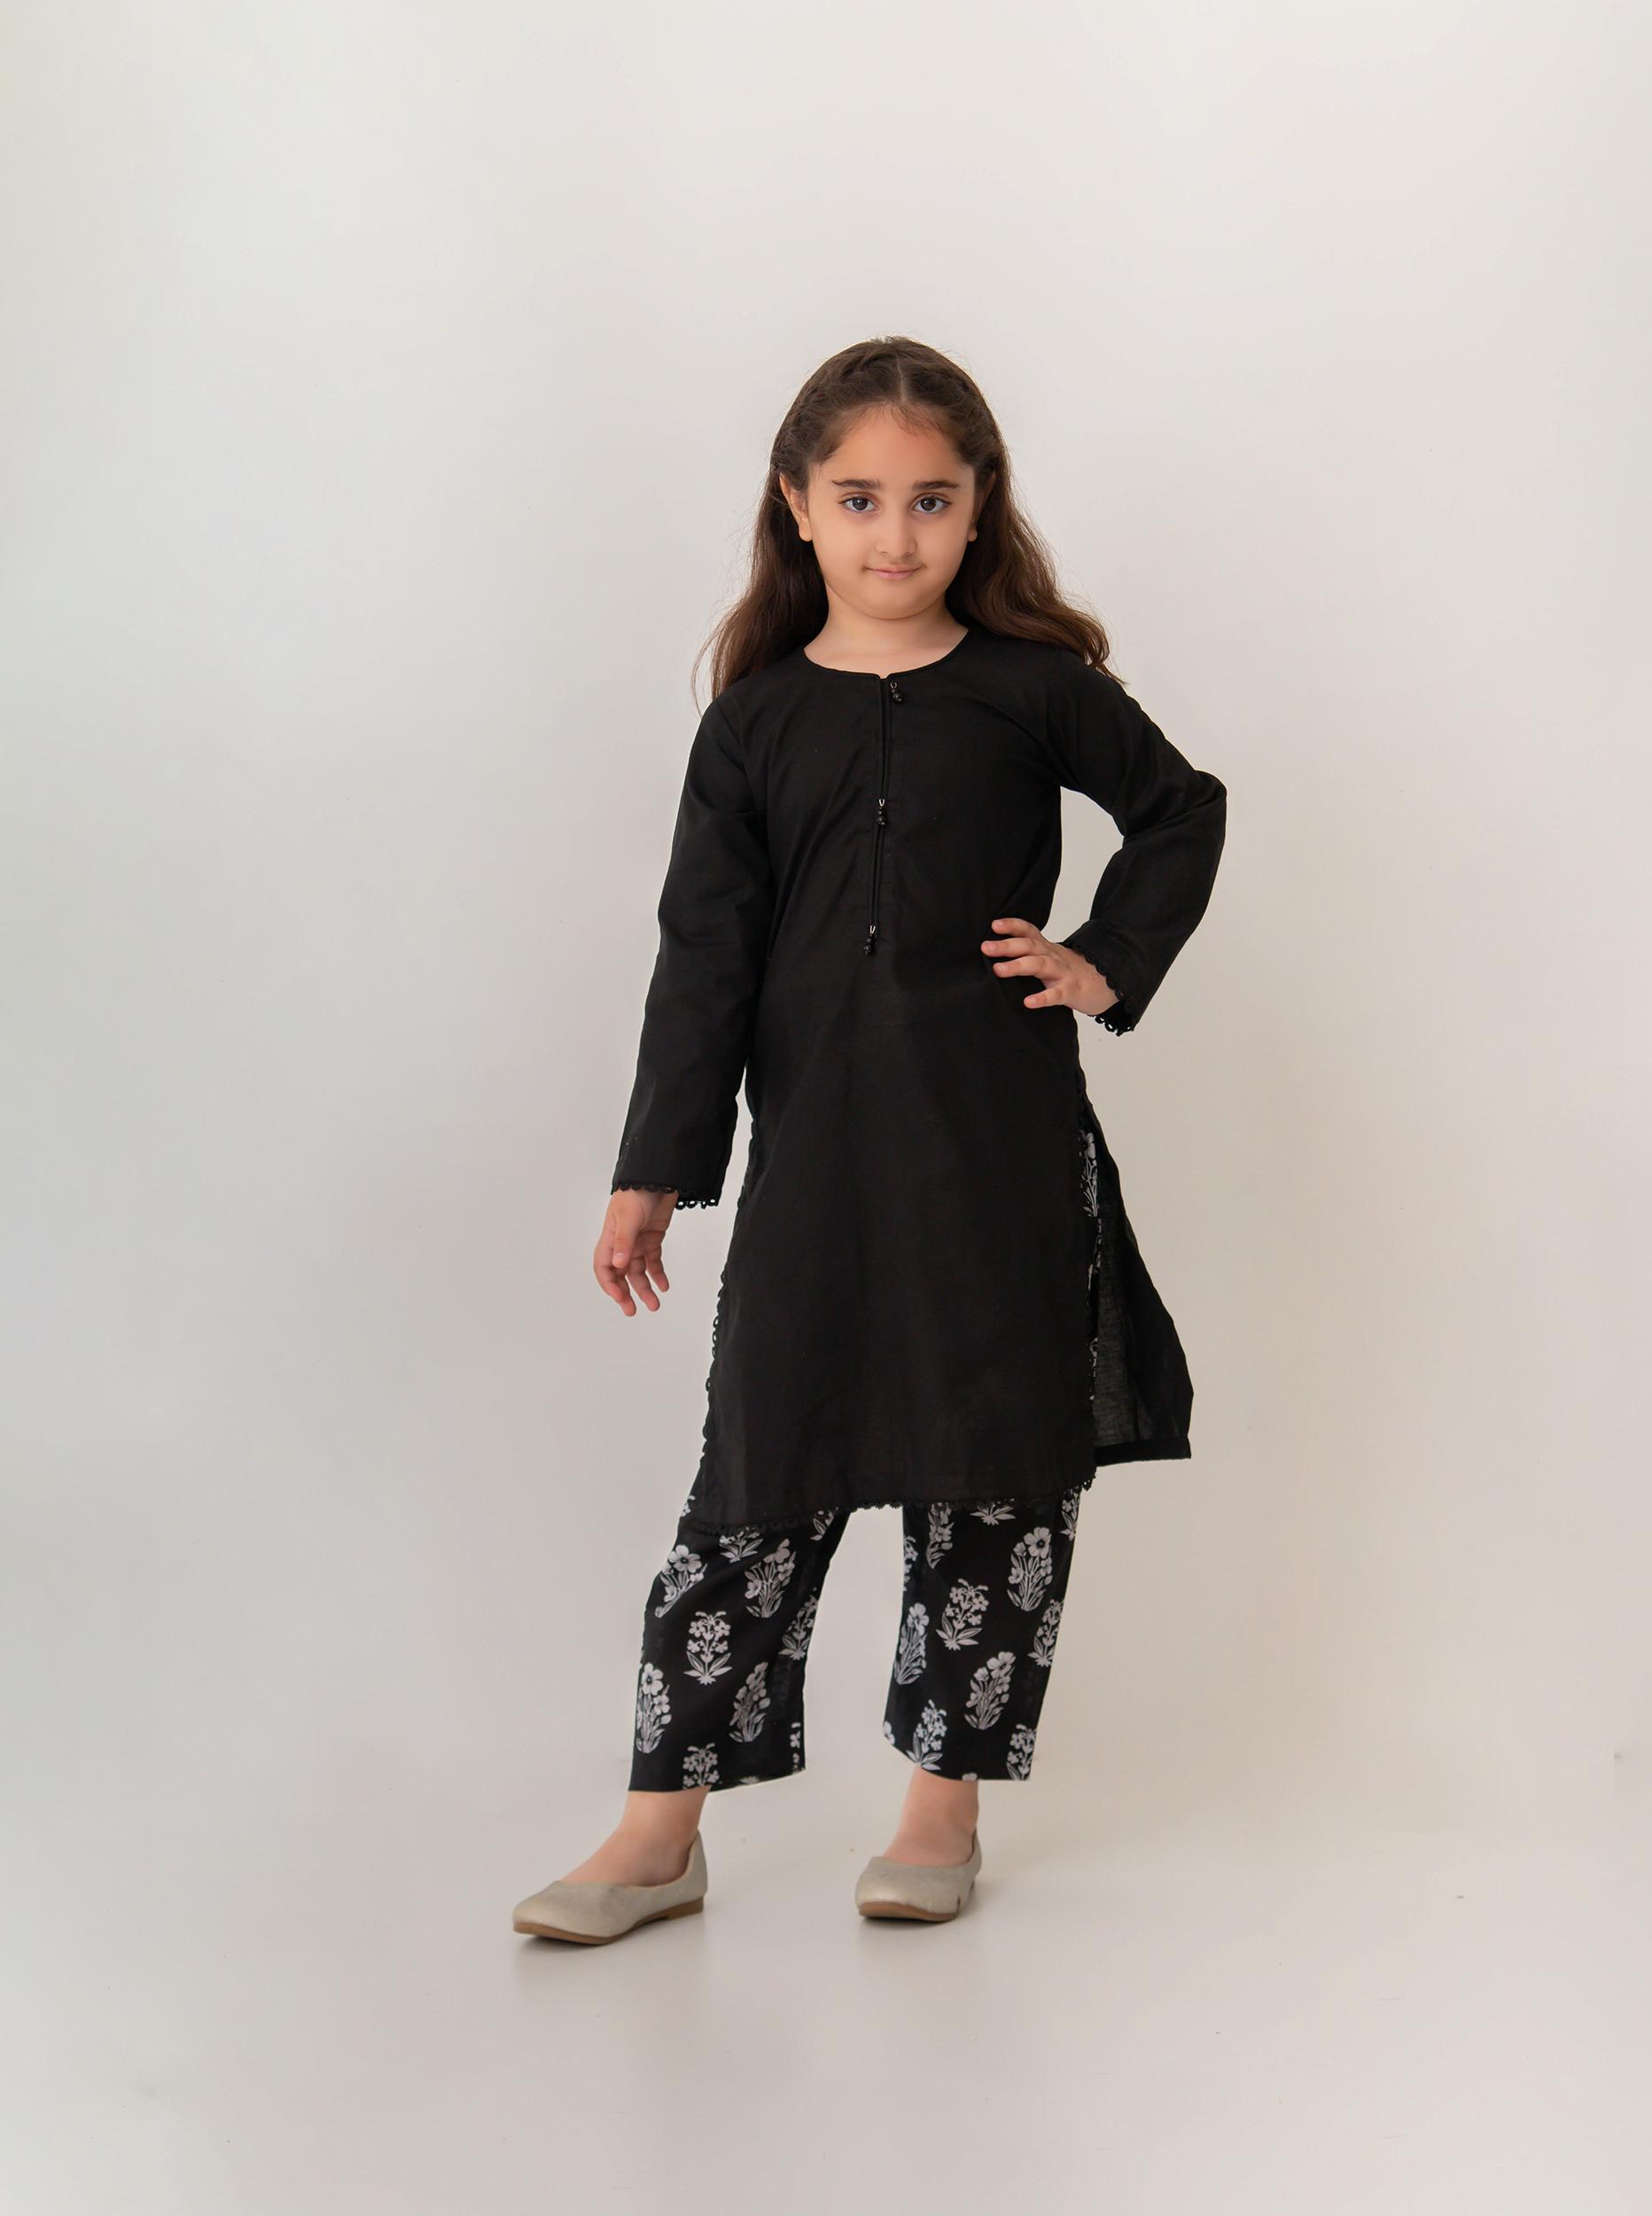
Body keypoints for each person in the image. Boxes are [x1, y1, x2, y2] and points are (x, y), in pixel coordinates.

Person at [512, 335, 1227, 1942]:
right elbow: (704, 957)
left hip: (998, 1155)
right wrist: (653, 1169)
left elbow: (1183, 806)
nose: (894, 533)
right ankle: (657, 1837)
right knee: (758, 1473)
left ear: (979, 509)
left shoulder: (1035, 692)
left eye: (930, 499)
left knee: (993, 1477)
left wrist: (1104, 957)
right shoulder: (754, 725)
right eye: (858, 498)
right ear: (797, 503)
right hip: (816, 1163)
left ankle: (939, 1812)